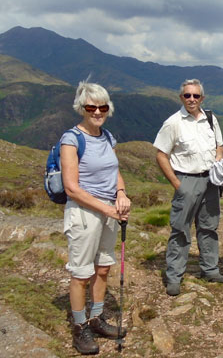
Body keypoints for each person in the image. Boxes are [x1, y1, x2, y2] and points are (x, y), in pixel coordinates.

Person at [61, 81, 130, 355]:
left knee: (102, 268)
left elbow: (114, 172)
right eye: (91, 107)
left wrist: (121, 193)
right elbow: (71, 188)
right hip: (85, 212)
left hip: (109, 211)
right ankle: (80, 328)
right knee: (81, 273)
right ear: (82, 108)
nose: (97, 112)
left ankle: (97, 318)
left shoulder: (107, 137)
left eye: (102, 107)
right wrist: (107, 209)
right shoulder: (71, 139)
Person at [154, 79, 223, 297]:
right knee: (180, 229)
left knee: (209, 227)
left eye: (196, 96)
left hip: (210, 181)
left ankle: (210, 269)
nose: (192, 99)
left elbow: (220, 145)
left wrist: (219, 160)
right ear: (181, 98)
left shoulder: (211, 119)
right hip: (186, 179)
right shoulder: (173, 123)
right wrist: (177, 184)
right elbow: (161, 154)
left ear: (202, 98)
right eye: (187, 95)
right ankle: (174, 276)